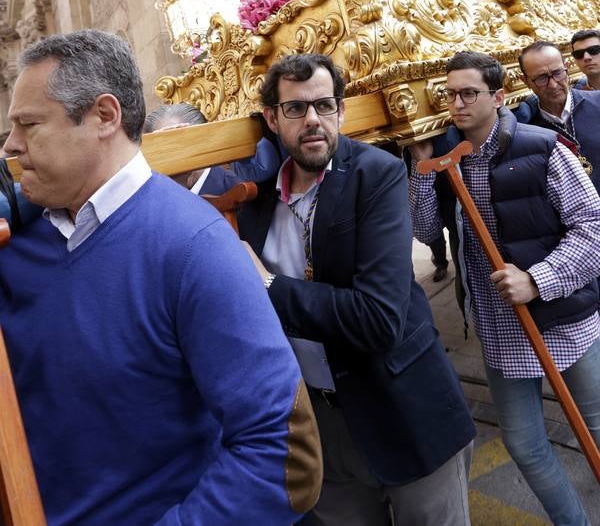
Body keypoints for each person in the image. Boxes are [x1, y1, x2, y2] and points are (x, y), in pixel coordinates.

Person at [0, 29, 322, 525]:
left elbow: (285, 457)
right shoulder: (17, 246)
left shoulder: (193, 245)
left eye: (28, 125)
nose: (10, 147)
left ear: (104, 117)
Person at [238, 52, 475, 526]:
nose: (312, 121)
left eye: (325, 106)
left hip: (405, 412)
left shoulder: (375, 174)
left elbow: (378, 319)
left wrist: (265, 284)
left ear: (341, 112)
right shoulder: (253, 203)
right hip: (321, 427)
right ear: (271, 118)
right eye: (295, 109)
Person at [409, 50, 600, 525]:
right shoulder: (446, 157)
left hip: (563, 319)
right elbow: (425, 230)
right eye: (449, 95)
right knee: (525, 445)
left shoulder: (542, 146)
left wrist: (539, 279)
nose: (457, 104)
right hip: (500, 330)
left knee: (596, 428)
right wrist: (419, 169)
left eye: (468, 93)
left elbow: (593, 228)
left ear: (498, 96)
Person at [515, 40, 600, 193]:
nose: (553, 85)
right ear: (525, 81)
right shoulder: (528, 131)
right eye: (541, 78)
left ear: (566, 68)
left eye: (557, 73)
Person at [143, 101, 282, 192]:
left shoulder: (237, 192)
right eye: (159, 149)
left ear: (201, 141)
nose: (168, 155)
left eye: (173, 143)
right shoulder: (156, 200)